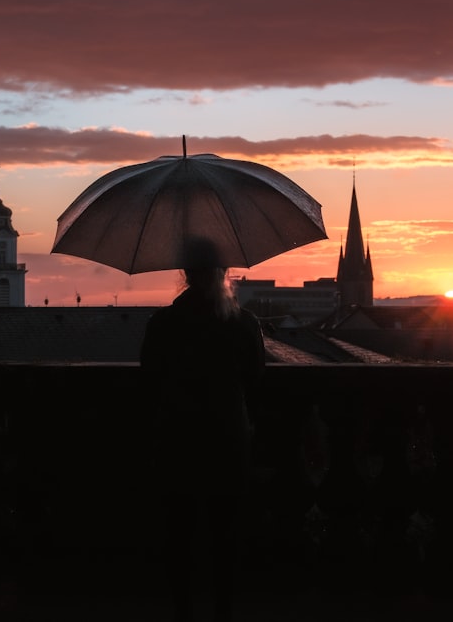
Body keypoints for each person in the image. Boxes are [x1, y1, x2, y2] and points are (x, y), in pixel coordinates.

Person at [139, 238, 266, 622]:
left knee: (179, 535)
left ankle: (183, 610)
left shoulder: (163, 323)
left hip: (177, 439)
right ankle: (224, 609)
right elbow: (256, 380)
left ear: (186, 275)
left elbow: (150, 380)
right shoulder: (244, 324)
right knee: (225, 534)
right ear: (224, 273)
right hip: (228, 439)